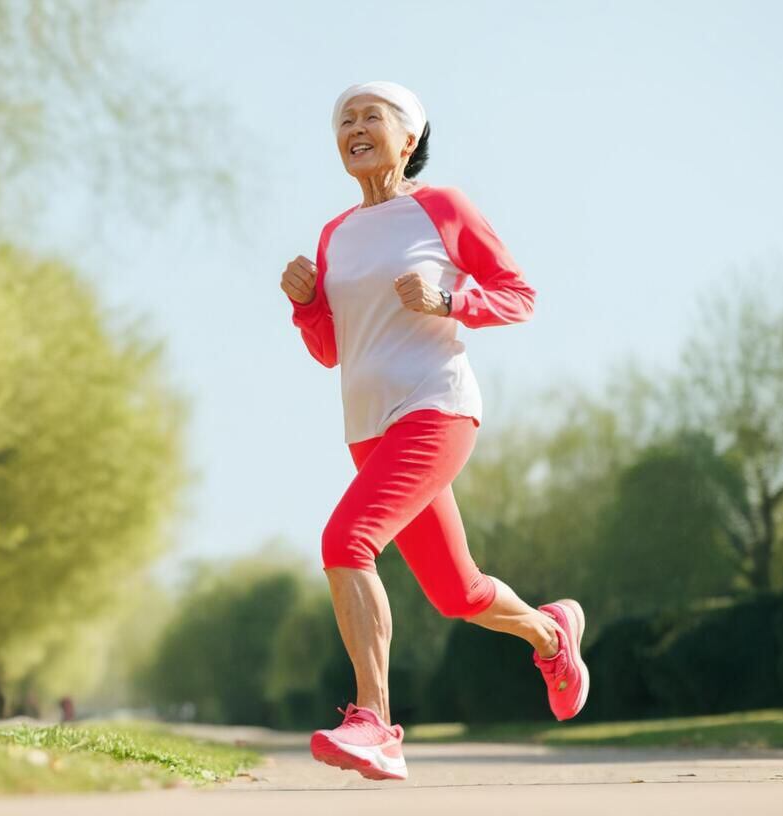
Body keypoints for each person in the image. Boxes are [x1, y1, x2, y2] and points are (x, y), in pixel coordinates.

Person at [280, 81, 589, 782]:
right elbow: (334, 348)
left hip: (436, 408)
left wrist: (450, 299)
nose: (354, 127)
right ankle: (551, 632)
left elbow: (520, 296)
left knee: (345, 542)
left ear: (409, 137)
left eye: (371, 117)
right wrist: (305, 306)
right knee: (457, 592)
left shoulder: (442, 208)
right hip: (366, 428)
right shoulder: (334, 235)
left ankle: (375, 722)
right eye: (345, 120)